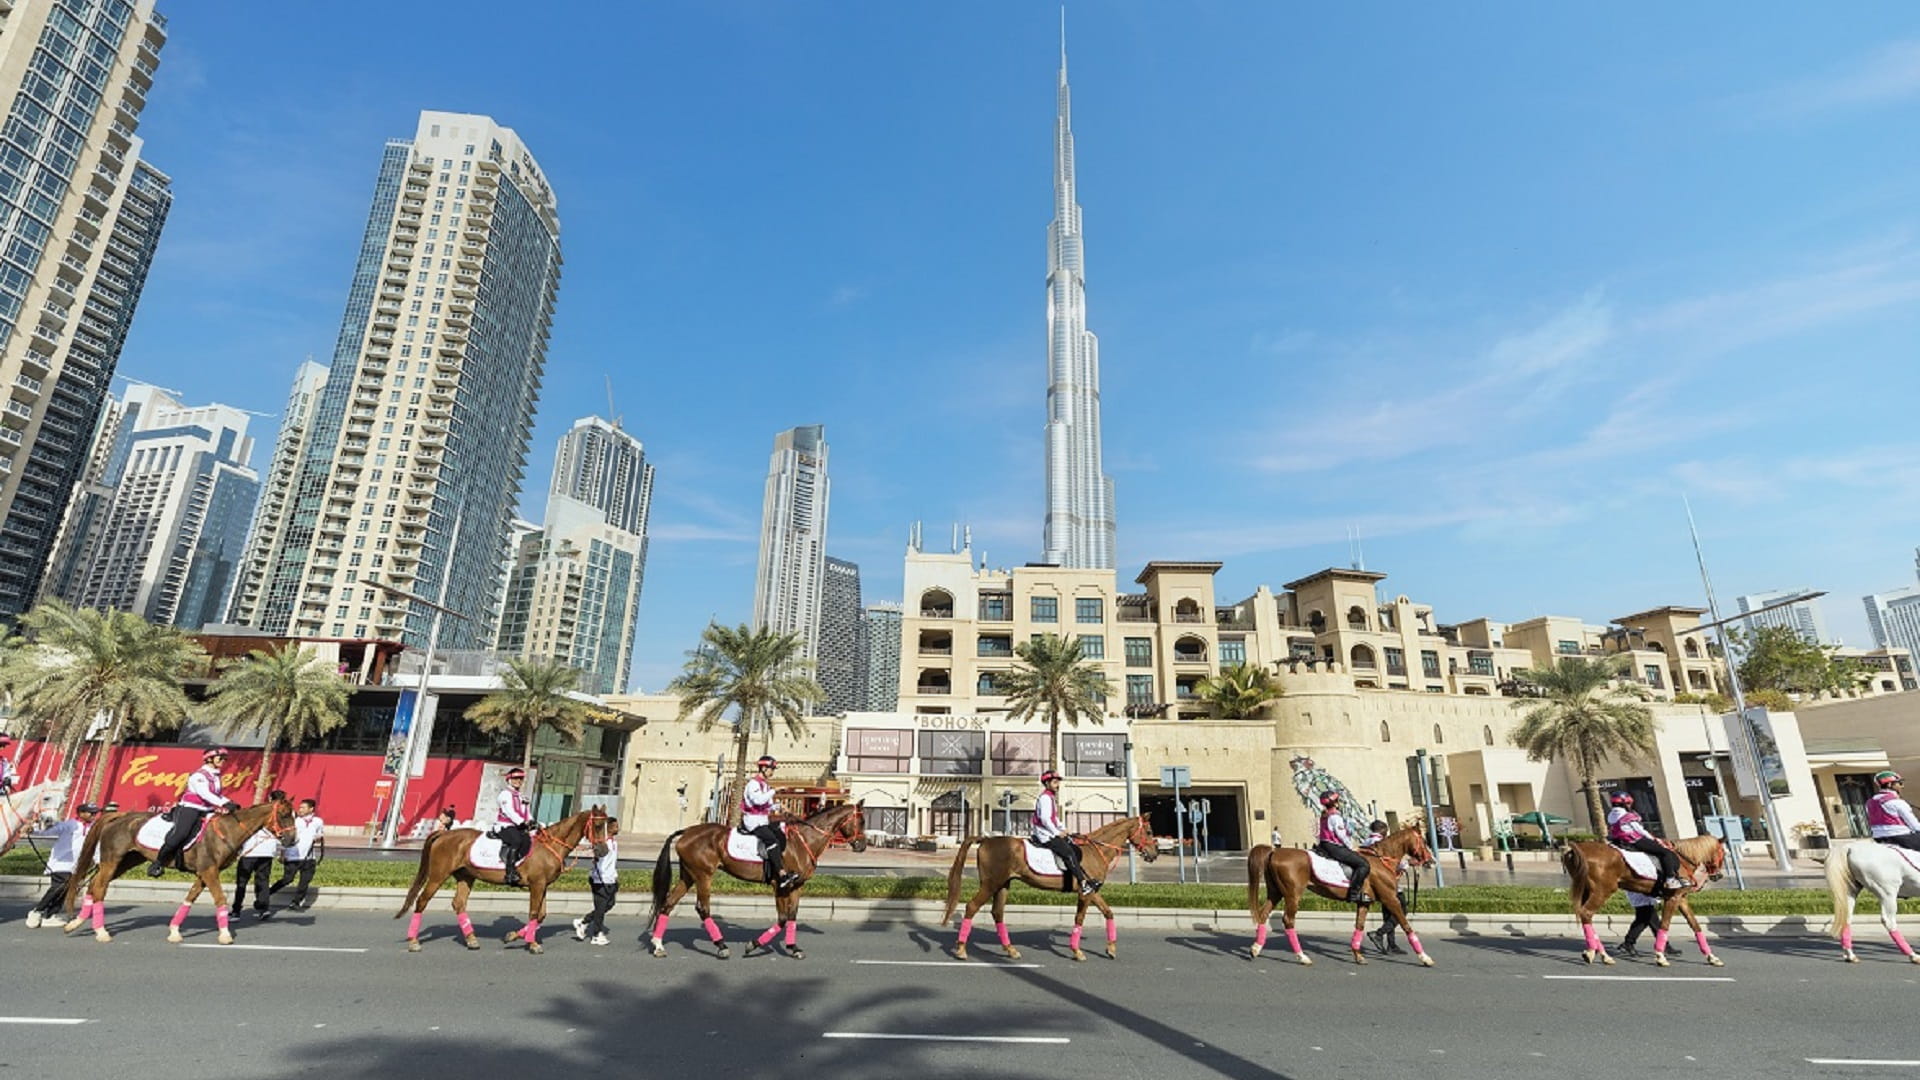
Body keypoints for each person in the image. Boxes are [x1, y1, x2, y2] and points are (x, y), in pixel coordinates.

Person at [150, 748, 235, 876]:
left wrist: (230, 802)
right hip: (191, 808)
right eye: (220, 758)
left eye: (225, 759)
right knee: (180, 835)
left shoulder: (216, 776)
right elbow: (204, 794)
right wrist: (223, 803)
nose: (223, 761)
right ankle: (158, 863)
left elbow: (216, 794)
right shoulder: (198, 776)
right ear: (209, 759)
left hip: (207, 810)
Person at [26, 802, 97, 927]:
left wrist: (98, 860)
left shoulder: (94, 828)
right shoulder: (69, 825)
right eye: (91, 813)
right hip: (60, 863)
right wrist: (34, 831)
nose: (94, 815)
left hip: (75, 866)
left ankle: (50, 915)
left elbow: (96, 846)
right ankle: (37, 911)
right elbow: (50, 831)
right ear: (81, 813)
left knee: (66, 889)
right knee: (59, 886)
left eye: (95, 813)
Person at [1032, 769, 1097, 896]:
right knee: (1068, 852)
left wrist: (1063, 828)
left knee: (1074, 848)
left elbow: (1054, 818)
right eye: (1055, 782)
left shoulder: (1050, 798)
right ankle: (1083, 884)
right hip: (1045, 835)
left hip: (1050, 832)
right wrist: (1056, 832)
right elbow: (1045, 819)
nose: (1058, 785)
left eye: (1058, 782)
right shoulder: (1045, 798)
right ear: (1047, 783)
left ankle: (1080, 877)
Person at [1605, 792, 1685, 894]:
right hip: (1634, 840)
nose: (1630, 805)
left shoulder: (1611, 814)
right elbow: (1639, 830)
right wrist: (1655, 839)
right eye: (1628, 803)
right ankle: (1670, 879)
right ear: (1624, 803)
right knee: (1666, 853)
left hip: (1619, 840)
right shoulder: (1628, 815)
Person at [741, 756, 800, 890]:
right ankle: (781, 874)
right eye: (771, 769)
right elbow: (758, 801)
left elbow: (767, 805)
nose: (772, 772)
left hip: (763, 820)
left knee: (780, 834)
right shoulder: (753, 784)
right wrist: (775, 790)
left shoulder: (765, 785)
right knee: (772, 840)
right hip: (753, 822)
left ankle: (779, 866)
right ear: (763, 768)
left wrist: (779, 807)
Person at [232, 789, 287, 918]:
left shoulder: (260, 812)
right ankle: (263, 909)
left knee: (242, 882)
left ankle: (236, 911)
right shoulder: (283, 813)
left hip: (249, 852)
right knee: (263, 881)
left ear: (269, 799)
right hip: (267, 852)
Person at [1313, 790, 1371, 904]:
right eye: (1337, 800)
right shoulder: (1335, 817)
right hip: (1334, 846)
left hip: (1324, 844)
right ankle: (1354, 894)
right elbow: (1341, 835)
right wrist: (1351, 847)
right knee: (1363, 864)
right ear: (1335, 803)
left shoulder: (1324, 815)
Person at [1362, 819, 1408, 954]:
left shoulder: (1366, 842)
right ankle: (1379, 934)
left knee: (1388, 912)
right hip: (1387, 882)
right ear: (1383, 830)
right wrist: (1406, 864)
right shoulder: (1381, 843)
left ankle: (1391, 943)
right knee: (1401, 910)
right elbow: (1391, 861)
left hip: (1374, 883)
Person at [270, 798, 325, 910]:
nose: (300, 809)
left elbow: (320, 835)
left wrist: (318, 838)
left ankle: (296, 902)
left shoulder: (318, 821)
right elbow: (286, 838)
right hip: (292, 855)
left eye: (303, 807)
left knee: (305, 881)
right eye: (300, 807)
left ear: (311, 809)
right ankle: (268, 893)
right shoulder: (294, 821)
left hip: (309, 857)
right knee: (287, 879)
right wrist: (282, 853)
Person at [574, 816, 620, 946]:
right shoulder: (603, 843)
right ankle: (596, 934)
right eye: (615, 826)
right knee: (600, 908)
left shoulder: (613, 842)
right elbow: (598, 850)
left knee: (609, 904)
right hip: (600, 880)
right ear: (608, 828)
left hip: (611, 878)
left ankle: (583, 922)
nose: (618, 828)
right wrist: (591, 849)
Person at [494, 768, 536, 887]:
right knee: (516, 840)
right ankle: (510, 873)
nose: (518, 781)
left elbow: (527, 812)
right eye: (515, 778)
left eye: (520, 779)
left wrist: (532, 821)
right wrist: (522, 822)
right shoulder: (504, 795)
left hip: (518, 827)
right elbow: (509, 812)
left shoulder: (522, 796)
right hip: (505, 826)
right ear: (509, 780)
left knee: (528, 840)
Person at [1866, 771, 1920, 853]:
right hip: (1900, 836)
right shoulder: (1897, 802)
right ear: (1889, 785)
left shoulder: (1869, 802)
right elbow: (1915, 826)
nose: (1902, 786)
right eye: (1899, 783)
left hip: (1878, 837)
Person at [1615, 887, 1674, 958]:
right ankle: (1664, 944)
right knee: (1652, 922)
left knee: (1642, 921)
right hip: (1640, 896)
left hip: (1644, 897)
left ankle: (1628, 943)